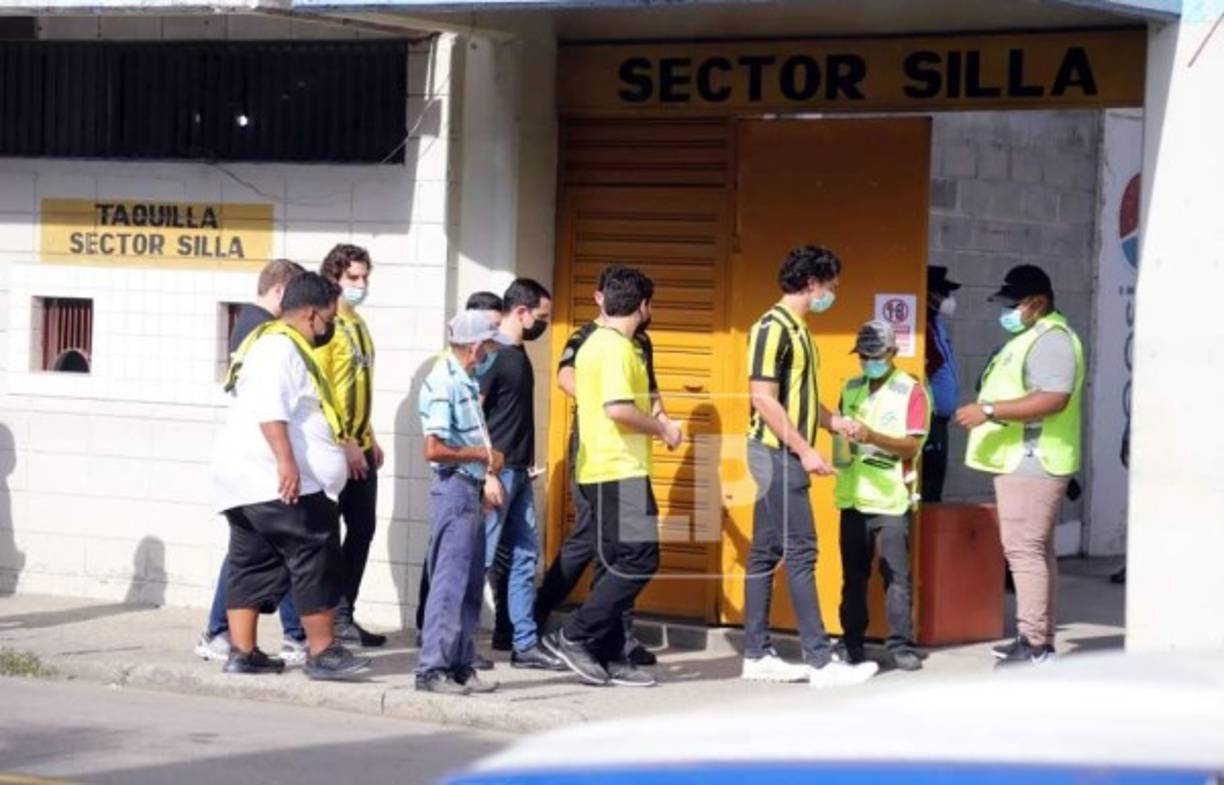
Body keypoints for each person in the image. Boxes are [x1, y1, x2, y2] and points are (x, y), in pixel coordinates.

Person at [210, 272, 371, 680]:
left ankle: (243, 652)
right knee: (315, 553)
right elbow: (270, 407)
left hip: (247, 481)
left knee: (251, 561)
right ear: (313, 315)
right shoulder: (280, 347)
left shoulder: (271, 345)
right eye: (330, 318)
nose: (331, 327)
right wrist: (287, 462)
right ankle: (322, 652)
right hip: (275, 478)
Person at [741, 245, 878, 688]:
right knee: (802, 552)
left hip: (783, 451)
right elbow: (763, 397)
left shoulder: (800, 330)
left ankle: (757, 653)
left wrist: (833, 422)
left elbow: (796, 398)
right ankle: (820, 660)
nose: (832, 296)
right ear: (811, 283)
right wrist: (804, 449)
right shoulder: (772, 328)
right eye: (831, 288)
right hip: (776, 454)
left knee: (765, 552)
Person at [542, 266, 682, 687]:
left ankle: (607, 653)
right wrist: (662, 428)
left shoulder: (599, 344)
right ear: (643, 306)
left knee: (614, 562)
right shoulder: (618, 349)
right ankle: (576, 634)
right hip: (619, 469)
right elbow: (618, 409)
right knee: (641, 559)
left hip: (602, 468)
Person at [955, 264, 1084, 667]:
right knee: (1036, 550)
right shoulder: (1035, 335)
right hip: (1027, 457)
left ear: (1038, 303)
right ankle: (1036, 637)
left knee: (1023, 551)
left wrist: (988, 410)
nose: (1009, 311)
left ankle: (1034, 644)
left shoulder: (1052, 341)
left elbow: (1054, 398)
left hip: (1033, 457)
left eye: (1016, 304)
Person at [195, 258, 309, 665]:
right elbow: (268, 405)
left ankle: (225, 631)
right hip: (258, 466)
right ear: (279, 291)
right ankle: (279, 634)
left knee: (252, 552)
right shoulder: (265, 331)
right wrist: (285, 459)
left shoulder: (252, 324)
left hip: (252, 466)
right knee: (270, 552)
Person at [415, 311, 512, 695]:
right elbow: (433, 448)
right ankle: (432, 669)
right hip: (454, 486)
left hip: (468, 488)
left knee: (470, 583)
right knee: (450, 583)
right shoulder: (444, 382)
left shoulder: (465, 380)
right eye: (488, 346)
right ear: (475, 347)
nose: (490, 353)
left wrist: (484, 468)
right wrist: (483, 456)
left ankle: (459, 663)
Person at [478, 279, 564, 670]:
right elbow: (474, 414)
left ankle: (524, 642)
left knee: (525, 557)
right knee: (479, 558)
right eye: (541, 317)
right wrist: (485, 472)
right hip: (496, 474)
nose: (543, 325)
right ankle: (456, 641)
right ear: (521, 312)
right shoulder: (492, 354)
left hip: (518, 471)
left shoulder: (519, 352)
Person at [834, 321, 930, 672]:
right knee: (853, 577)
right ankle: (851, 643)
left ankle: (901, 645)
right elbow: (839, 434)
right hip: (852, 498)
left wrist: (872, 435)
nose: (868, 362)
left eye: (875, 356)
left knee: (896, 578)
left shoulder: (911, 391)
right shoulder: (851, 387)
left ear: (892, 354)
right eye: (863, 356)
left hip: (890, 499)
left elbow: (913, 444)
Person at [316, 244, 386, 648]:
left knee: (362, 529)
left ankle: (346, 611)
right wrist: (344, 441)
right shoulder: (327, 328)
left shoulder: (358, 323)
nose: (360, 285)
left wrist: (369, 435)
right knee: (325, 535)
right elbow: (324, 390)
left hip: (360, 443)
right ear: (335, 279)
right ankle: (326, 618)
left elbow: (357, 386)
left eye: (364, 277)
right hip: (336, 446)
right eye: (353, 278)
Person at [922, 266, 962, 503]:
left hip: (940, 421)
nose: (948, 300)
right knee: (929, 487)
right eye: (943, 293)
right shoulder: (921, 326)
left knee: (935, 485)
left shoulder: (935, 322)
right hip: (930, 421)